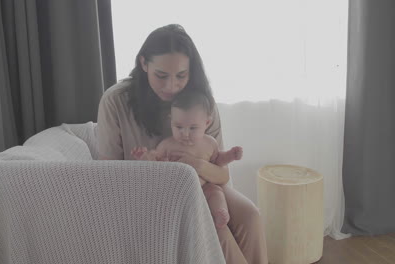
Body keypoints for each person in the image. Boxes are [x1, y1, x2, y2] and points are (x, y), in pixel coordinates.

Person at [97, 24, 268, 263]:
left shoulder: (201, 103)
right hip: (148, 193)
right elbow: (107, 175)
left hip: (206, 185)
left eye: (181, 76)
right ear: (144, 63)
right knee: (215, 229)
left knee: (250, 215)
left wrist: (194, 164)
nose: (171, 86)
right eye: (161, 75)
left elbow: (221, 175)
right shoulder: (116, 100)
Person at [130, 89, 243, 229]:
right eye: (179, 127)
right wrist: (145, 157)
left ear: (207, 123)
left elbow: (218, 161)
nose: (185, 133)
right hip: (177, 191)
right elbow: (154, 162)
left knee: (216, 193)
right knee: (165, 199)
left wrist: (230, 156)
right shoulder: (167, 145)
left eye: (193, 128)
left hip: (204, 188)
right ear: (171, 120)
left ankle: (219, 213)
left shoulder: (210, 143)